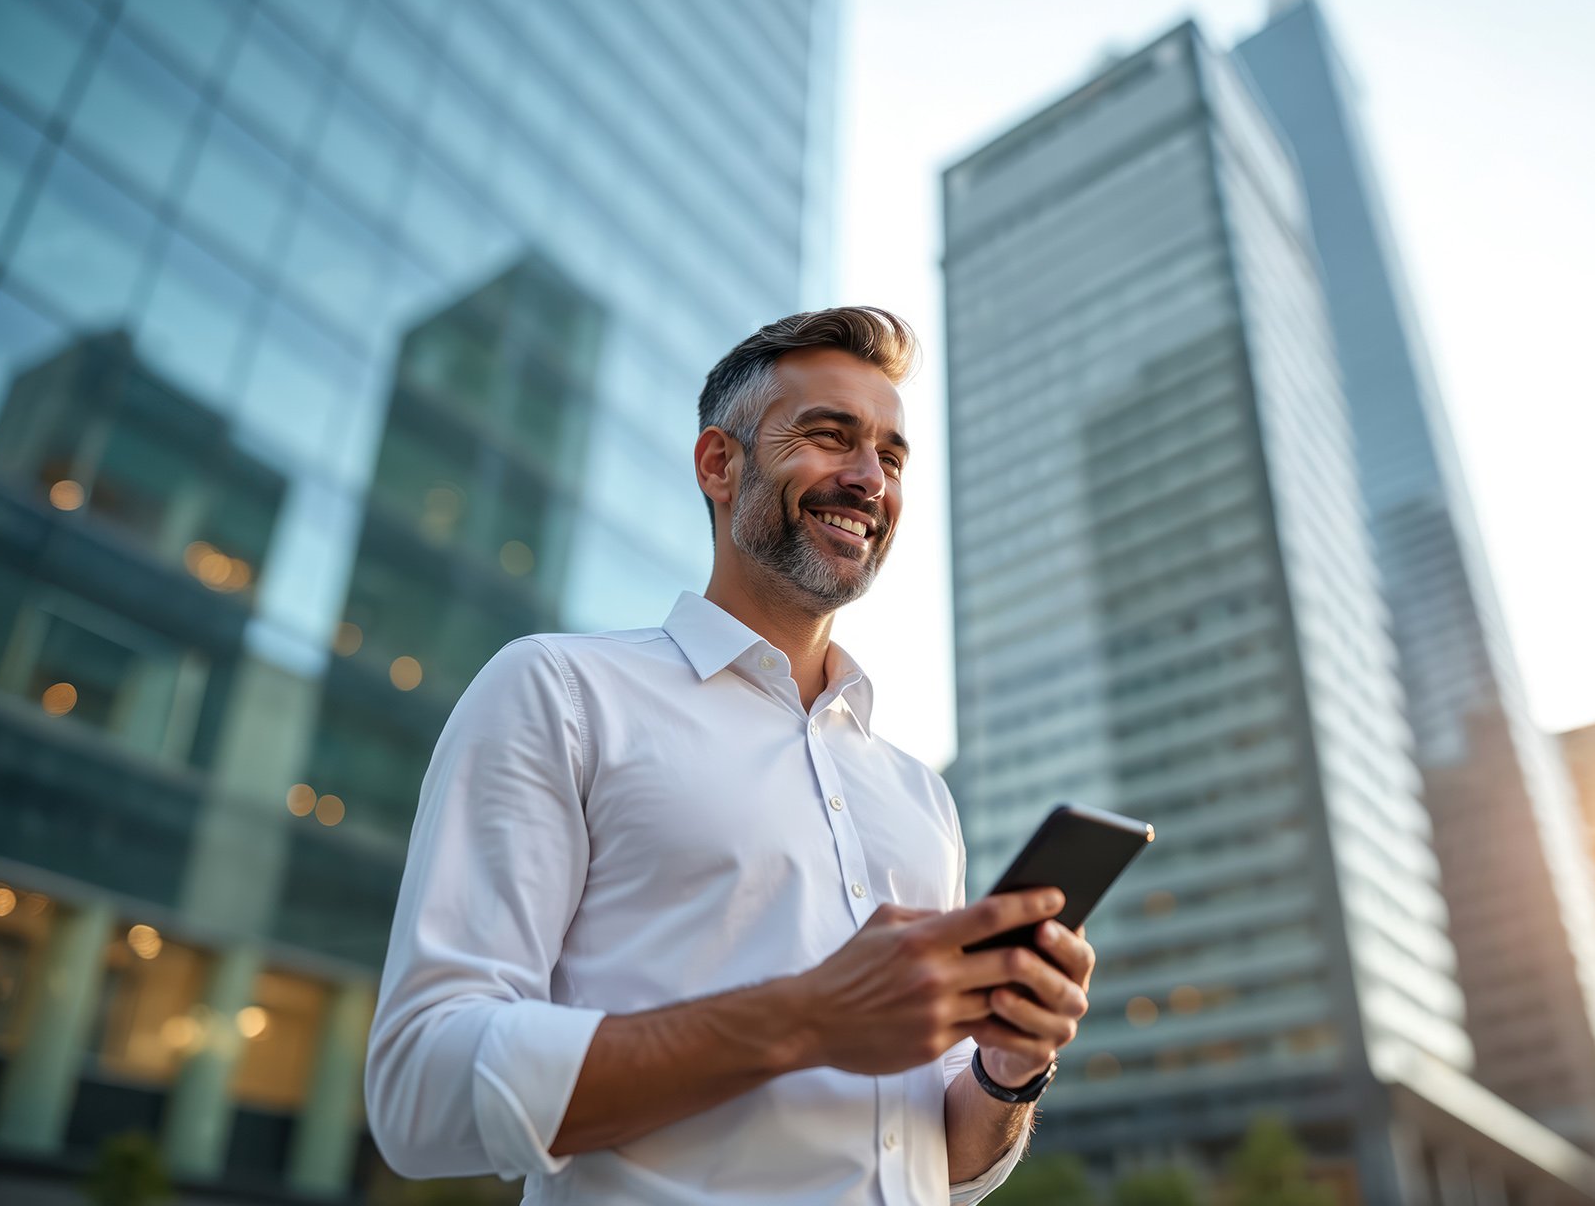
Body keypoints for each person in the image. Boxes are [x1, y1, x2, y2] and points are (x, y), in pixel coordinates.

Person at [365, 307, 1097, 1203]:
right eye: (831, 437)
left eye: (893, 457)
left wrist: (1007, 1072)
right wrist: (810, 1017)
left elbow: (933, 1164)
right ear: (720, 463)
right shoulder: (560, 692)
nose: (870, 480)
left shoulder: (920, 798)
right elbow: (419, 1090)